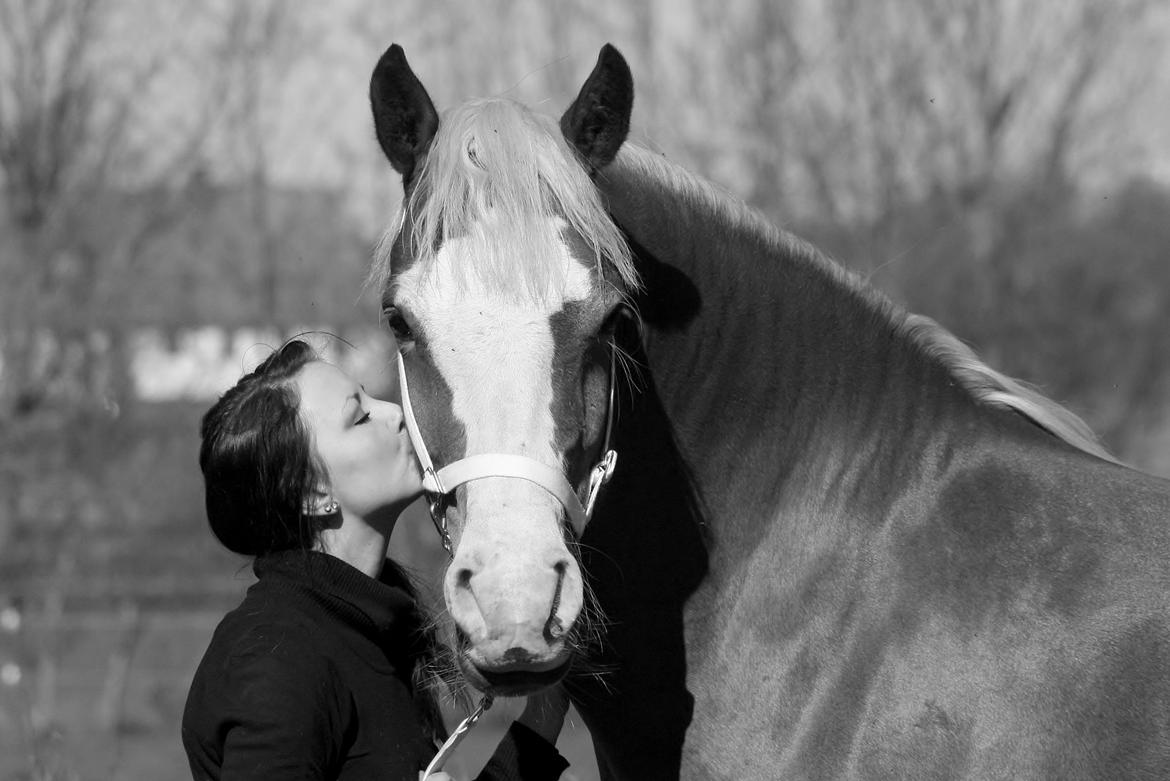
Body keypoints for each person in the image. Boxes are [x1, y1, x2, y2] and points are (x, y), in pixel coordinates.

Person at [181, 339, 570, 780]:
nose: (396, 413)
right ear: (314, 493)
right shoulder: (277, 658)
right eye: (361, 417)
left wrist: (540, 706)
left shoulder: (367, 629)